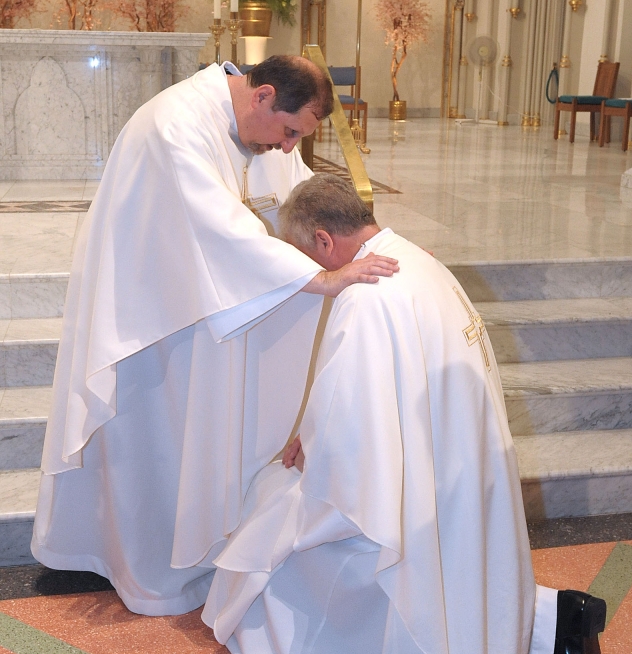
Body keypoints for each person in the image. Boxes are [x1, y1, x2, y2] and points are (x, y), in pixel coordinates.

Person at [201, 175, 607, 654]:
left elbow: (351, 429)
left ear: (322, 240)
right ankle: (552, 621)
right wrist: (312, 433)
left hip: (423, 487)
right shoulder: (417, 260)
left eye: (302, 255)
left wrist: (314, 455)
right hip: (464, 469)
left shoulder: (366, 294)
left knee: (278, 531)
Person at [31, 58, 398, 616]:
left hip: (210, 318)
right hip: (153, 323)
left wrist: (364, 242)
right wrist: (317, 276)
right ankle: (149, 568)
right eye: (289, 132)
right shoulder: (174, 126)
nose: (286, 147)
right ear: (264, 96)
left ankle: (216, 553)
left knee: (205, 442)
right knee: (157, 444)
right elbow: (219, 229)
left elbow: (301, 194)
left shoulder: (260, 131)